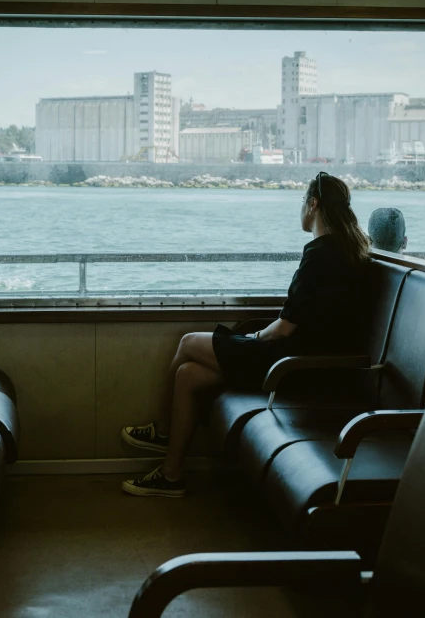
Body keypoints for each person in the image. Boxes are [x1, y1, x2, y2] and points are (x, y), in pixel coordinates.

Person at [121, 172, 370, 498]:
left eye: (302, 203)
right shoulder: (349, 251)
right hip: (305, 361)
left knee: (187, 343)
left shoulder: (321, 253)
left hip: (292, 366)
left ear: (313, 204)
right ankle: (170, 475)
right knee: (188, 375)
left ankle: (163, 431)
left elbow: (284, 327)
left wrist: (253, 339)